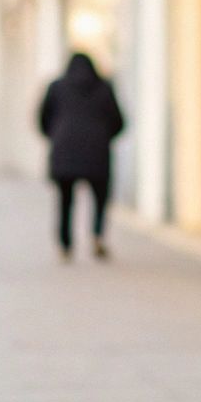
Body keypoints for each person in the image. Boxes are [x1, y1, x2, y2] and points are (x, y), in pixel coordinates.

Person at [37, 52, 124, 261]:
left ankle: (65, 245)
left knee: (65, 201)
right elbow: (119, 121)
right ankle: (98, 236)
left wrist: (56, 135)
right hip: (97, 152)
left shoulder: (56, 87)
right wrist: (103, 136)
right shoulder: (104, 87)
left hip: (64, 151)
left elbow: (42, 118)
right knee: (100, 198)